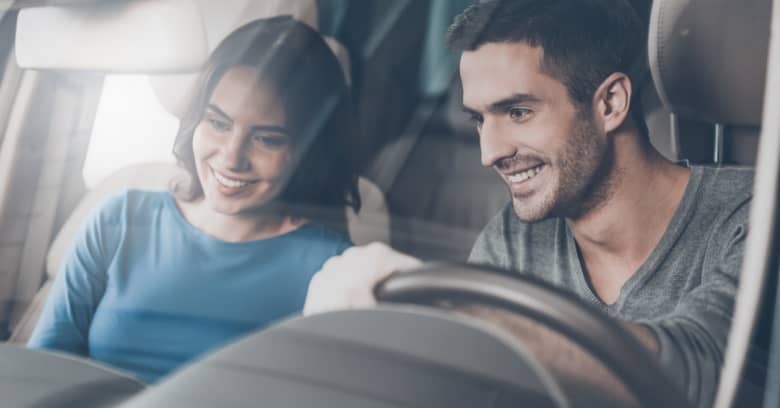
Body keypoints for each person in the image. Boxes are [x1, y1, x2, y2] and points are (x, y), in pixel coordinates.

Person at [303, 1, 754, 407]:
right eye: (479, 119)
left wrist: (446, 309)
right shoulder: (516, 236)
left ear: (611, 103)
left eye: (518, 112)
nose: (489, 152)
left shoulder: (753, 219)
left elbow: (703, 374)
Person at [28, 16, 360, 383]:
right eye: (217, 123)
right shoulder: (119, 220)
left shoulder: (333, 270)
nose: (231, 157)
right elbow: (38, 375)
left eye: (266, 139)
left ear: (307, 151)